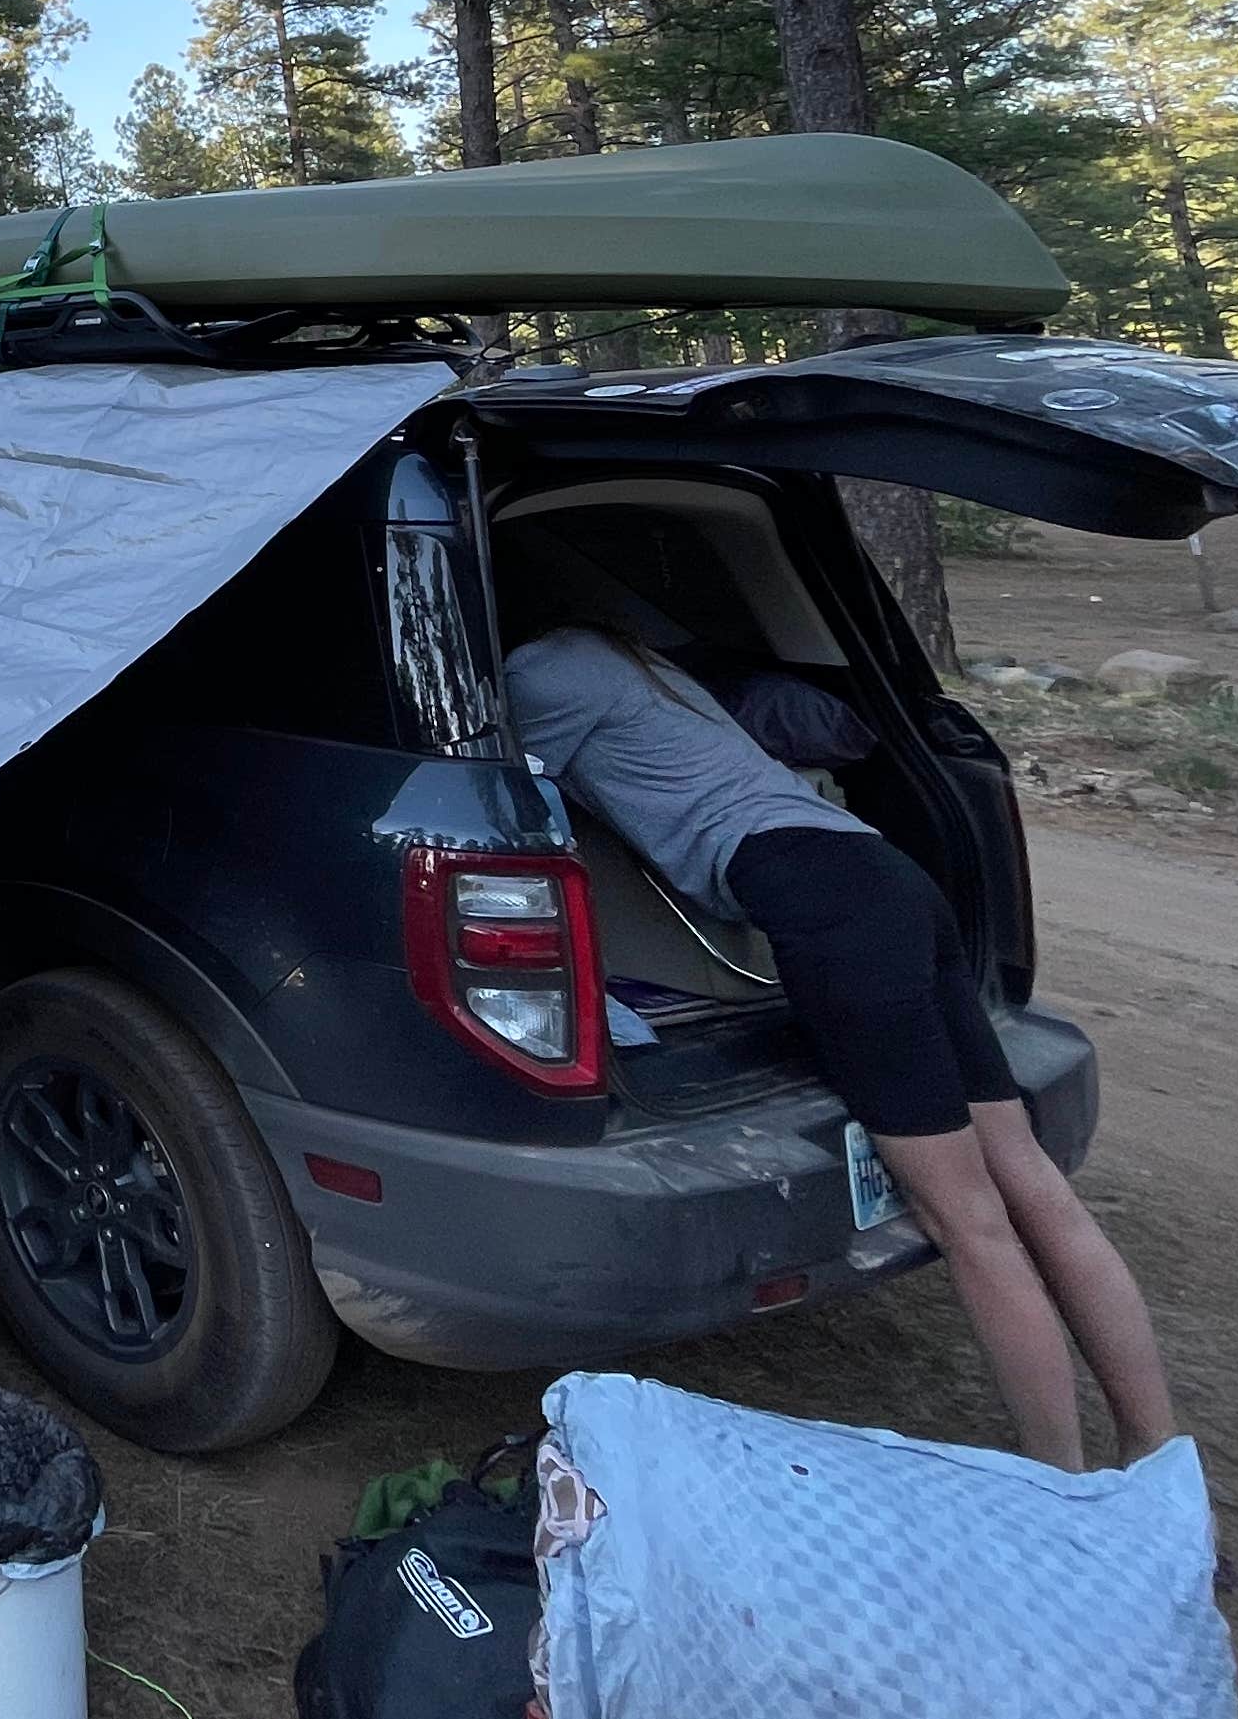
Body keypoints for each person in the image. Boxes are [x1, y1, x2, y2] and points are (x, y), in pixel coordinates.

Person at [499, 622, 1180, 1471]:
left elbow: (494, 793)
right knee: (1030, 1185)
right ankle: (1156, 1455)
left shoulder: (537, 671)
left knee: (967, 1223)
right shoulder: (639, 663)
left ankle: (1061, 1485)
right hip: (887, 876)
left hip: (828, 908)